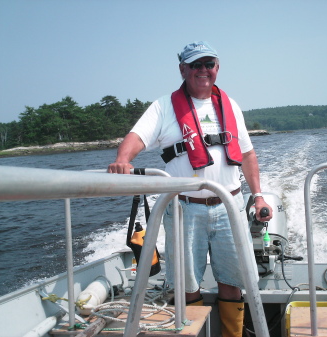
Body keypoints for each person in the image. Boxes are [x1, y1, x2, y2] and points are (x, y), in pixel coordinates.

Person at [108, 41, 272, 337]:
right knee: (185, 284)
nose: (202, 70)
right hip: (183, 208)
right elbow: (137, 136)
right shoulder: (163, 107)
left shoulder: (230, 105)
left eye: (208, 64)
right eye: (195, 65)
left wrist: (258, 195)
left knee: (232, 281)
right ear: (182, 69)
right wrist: (123, 159)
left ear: (217, 69)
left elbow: (247, 154)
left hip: (229, 206)